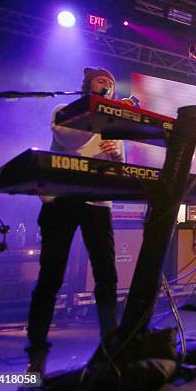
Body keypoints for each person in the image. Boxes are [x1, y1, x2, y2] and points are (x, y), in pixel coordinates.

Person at [26, 67, 135, 374]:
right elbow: (71, 142)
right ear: (88, 85)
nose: (109, 86)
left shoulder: (113, 126)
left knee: (106, 275)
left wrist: (115, 155)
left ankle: (110, 341)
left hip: (97, 202)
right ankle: (36, 347)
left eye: (112, 83)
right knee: (51, 275)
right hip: (62, 198)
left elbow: (121, 169)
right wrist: (99, 115)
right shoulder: (65, 110)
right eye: (103, 81)